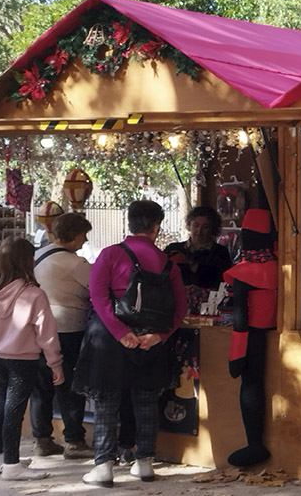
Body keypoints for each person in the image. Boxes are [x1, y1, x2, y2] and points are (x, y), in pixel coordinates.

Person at [73, 200, 187, 488]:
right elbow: (180, 308)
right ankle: (145, 463)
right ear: (156, 227)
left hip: (110, 341)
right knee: (146, 401)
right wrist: (159, 336)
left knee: (106, 402)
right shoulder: (168, 263)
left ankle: (103, 467)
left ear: (129, 223)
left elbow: (98, 297)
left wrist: (119, 331)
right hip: (151, 340)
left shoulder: (110, 254)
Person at [0, 237, 63, 481]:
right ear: (28, 261)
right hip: (23, 359)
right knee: (14, 411)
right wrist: (55, 363)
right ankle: (12, 465)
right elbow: (46, 334)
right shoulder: (34, 294)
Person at [28, 213, 95, 460]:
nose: (85, 241)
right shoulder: (76, 264)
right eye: (84, 236)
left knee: (41, 387)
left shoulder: (36, 256)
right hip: (68, 330)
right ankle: (74, 440)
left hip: (37, 329)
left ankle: (42, 439)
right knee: (69, 386)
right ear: (76, 236)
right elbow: (97, 287)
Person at [223, 208, 278, 468]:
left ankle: (254, 443)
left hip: (252, 335)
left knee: (250, 384)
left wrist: (236, 354)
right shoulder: (280, 264)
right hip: (276, 332)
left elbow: (240, 317)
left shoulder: (244, 272)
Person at [164, 206, 232, 316]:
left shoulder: (220, 252)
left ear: (212, 229)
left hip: (208, 310)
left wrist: (192, 265)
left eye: (205, 227)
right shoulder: (173, 249)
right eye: (195, 225)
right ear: (189, 225)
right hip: (174, 308)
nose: (199, 231)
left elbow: (222, 284)